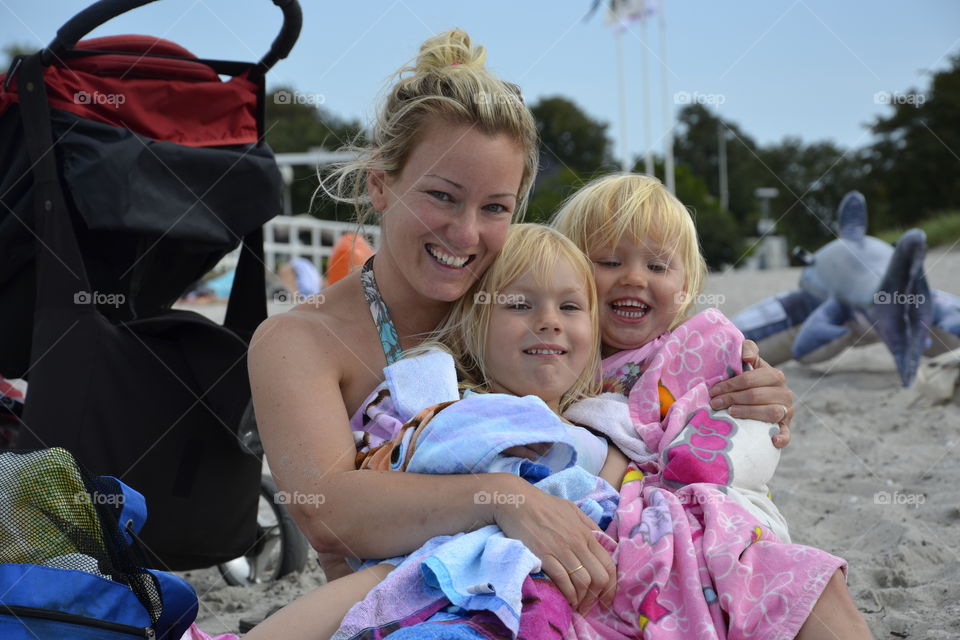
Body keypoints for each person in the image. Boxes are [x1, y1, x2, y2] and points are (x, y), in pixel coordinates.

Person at [247, 27, 796, 621]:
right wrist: (505, 499)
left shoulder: (528, 311)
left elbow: (654, 362)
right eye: (442, 196)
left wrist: (746, 390)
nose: (465, 234)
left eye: (495, 208)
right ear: (381, 185)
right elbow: (329, 512)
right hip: (409, 611)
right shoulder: (299, 341)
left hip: (572, 594)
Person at [249, 223, 628, 639]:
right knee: (398, 577)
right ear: (474, 325)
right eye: (519, 304)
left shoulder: (604, 433)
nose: (549, 321)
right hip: (437, 585)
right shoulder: (456, 413)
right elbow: (377, 553)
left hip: (550, 598)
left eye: (571, 308)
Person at [551, 173, 873, 639]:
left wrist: (764, 412)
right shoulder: (550, 356)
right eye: (608, 260)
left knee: (811, 584)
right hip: (611, 547)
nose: (635, 277)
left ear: (687, 284)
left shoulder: (698, 352)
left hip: (716, 529)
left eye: (659, 268)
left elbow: (746, 443)